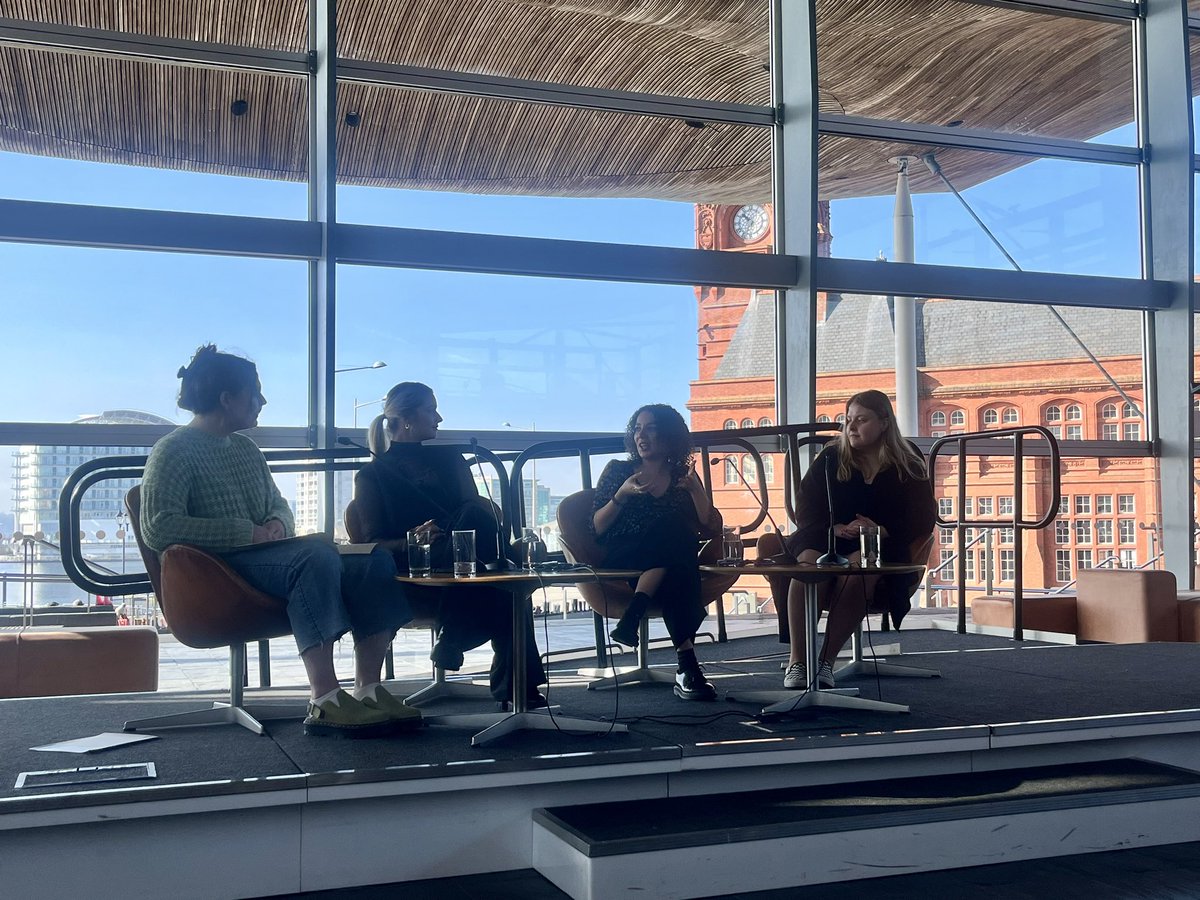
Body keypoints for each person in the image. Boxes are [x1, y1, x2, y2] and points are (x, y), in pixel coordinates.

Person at [141, 345, 421, 738]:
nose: (263, 401)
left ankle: (368, 689)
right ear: (228, 398)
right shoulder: (172, 450)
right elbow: (158, 526)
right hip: (219, 570)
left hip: (264, 558)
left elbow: (279, 505)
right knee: (314, 557)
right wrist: (248, 533)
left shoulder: (245, 449)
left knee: (373, 561)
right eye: (255, 393)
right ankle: (324, 697)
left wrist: (276, 523)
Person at [352, 382, 548, 708]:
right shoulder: (372, 475)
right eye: (431, 409)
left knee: (478, 524)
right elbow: (372, 543)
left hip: (465, 563)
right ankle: (517, 689)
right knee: (509, 586)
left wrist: (444, 528)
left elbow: (478, 519)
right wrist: (413, 539)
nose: (439, 417)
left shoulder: (452, 459)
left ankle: (453, 633)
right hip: (417, 571)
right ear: (407, 418)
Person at [759, 390, 936, 691]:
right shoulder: (831, 456)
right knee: (807, 565)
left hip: (880, 542)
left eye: (861, 420)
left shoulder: (908, 460)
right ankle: (798, 662)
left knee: (860, 572)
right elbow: (806, 507)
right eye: (848, 420)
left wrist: (879, 530)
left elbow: (922, 516)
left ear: (883, 423)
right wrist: (837, 527)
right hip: (826, 534)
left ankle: (825, 663)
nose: (851, 427)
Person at [591, 404, 721, 702]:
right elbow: (596, 528)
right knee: (675, 539)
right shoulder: (618, 471)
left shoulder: (682, 477)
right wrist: (621, 494)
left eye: (650, 428)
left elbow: (711, 526)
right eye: (637, 428)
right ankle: (688, 666)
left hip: (670, 561)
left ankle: (637, 615)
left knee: (674, 549)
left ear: (669, 435)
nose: (641, 435)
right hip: (626, 557)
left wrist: (696, 491)